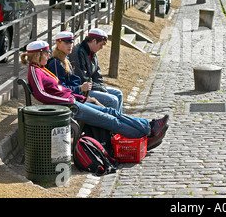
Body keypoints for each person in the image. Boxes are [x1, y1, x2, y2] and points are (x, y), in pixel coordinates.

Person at [21, 40, 169, 150]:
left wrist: (84, 97)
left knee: (110, 112)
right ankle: (145, 135)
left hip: (73, 102)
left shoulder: (41, 69)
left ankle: (149, 126)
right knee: (109, 120)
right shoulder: (35, 71)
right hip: (69, 107)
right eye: (46, 53)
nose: (48, 56)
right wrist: (71, 100)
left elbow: (60, 90)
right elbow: (41, 95)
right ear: (38, 55)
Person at [46, 31, 119, 113]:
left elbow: (97, 76)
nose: (70, 45)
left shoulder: (66, 59)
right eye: (66, 43)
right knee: (111, 102)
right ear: (58, 43)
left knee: (116, 95)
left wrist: (101, 89)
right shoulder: (56, 63)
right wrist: (80, 89)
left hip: (78, 95)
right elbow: (60, 89)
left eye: (71, 43)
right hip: (70, 103)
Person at [70, 28, 124, 113]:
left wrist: (102, 88)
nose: (101, 48)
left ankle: (119, 119)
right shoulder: (78, 52)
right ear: (94, 41)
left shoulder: (93, 53)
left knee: (118, 93)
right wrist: (102, 89)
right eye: (101, 45)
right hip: (83, 90)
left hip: (93, 87)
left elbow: (97, 75)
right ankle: (113, 123)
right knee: (112, 100)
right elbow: (82, 79)